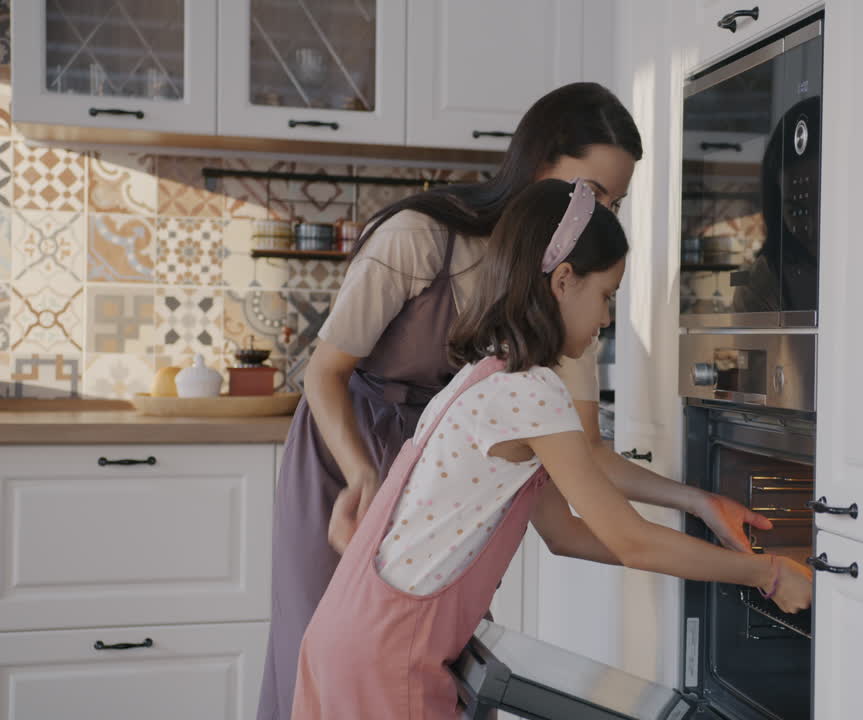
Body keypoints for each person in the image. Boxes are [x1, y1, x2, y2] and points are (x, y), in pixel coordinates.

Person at [258, 83, 773, 720]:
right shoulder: (435, 248)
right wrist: (766, 574)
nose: (598, 213)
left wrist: (698, 501)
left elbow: (578, 462)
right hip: (349, 453)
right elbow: (325, 373)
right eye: (590, 192)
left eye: (613, 202)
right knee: (361, 645)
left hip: (426, 512)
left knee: (428, 651)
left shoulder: (532, 338)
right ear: (539, 164)